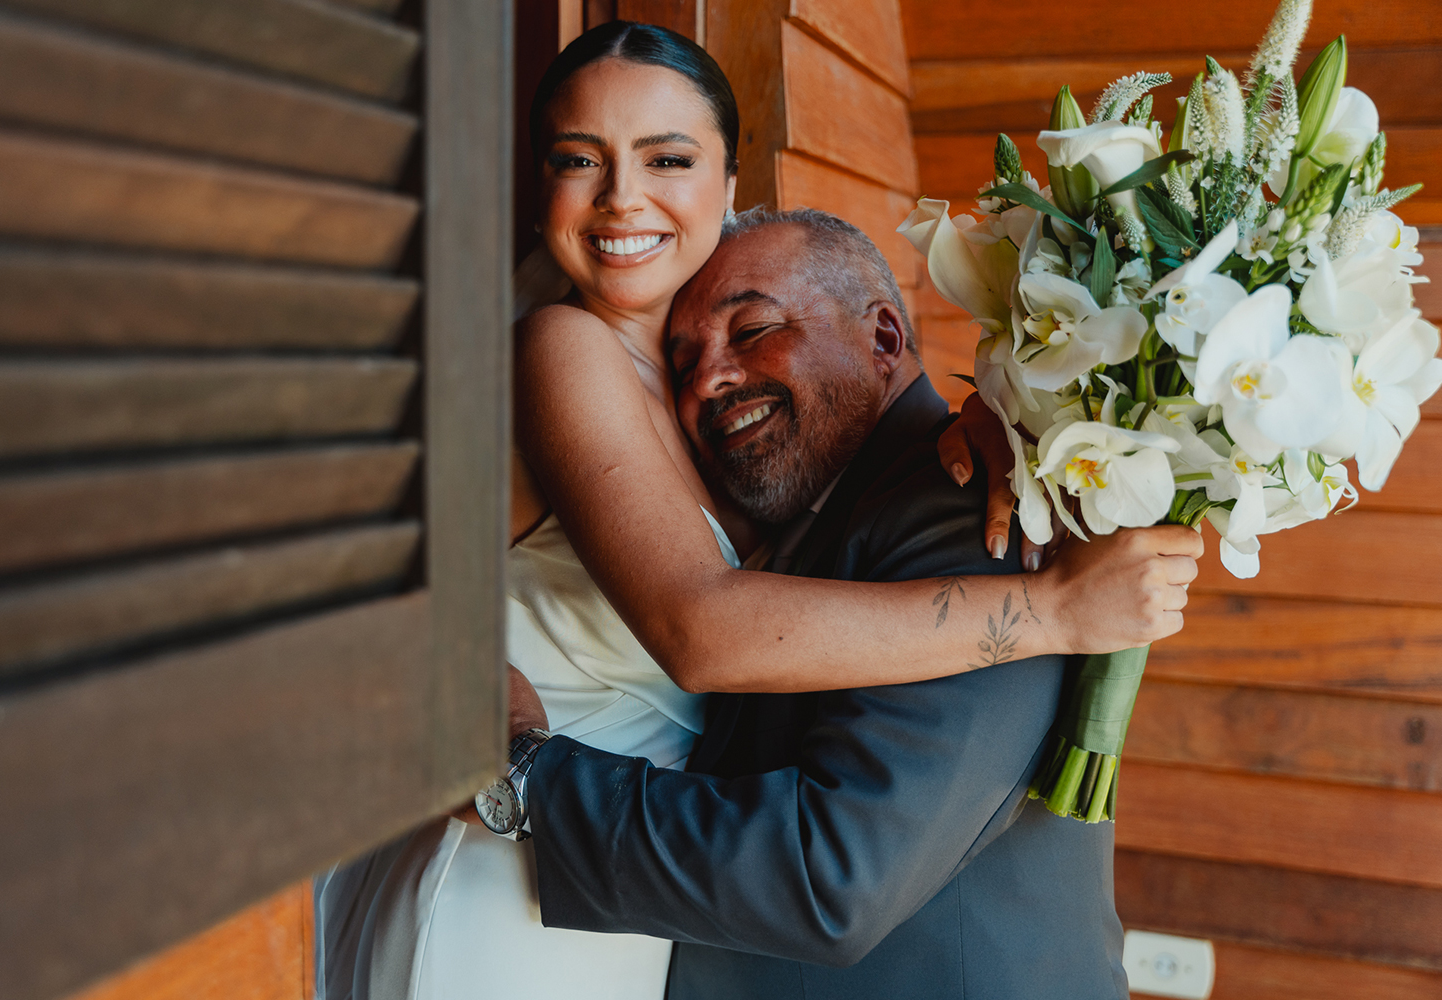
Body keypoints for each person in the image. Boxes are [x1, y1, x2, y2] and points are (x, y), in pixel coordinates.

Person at [312, 21, 1199, 1000]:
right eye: (579, 160)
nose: (621, 195)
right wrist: (1058, 613)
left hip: (615, 894)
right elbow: (700, 626)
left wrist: (993, 410)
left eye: (667, 157)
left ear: (726, 185)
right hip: (519, 876)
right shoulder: (564, 347)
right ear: (541, 186)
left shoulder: (803, 446)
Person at [511, 207, 1200, 999]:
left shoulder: (979, 516)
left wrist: (528, 776)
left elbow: (828, 880)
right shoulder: (826, 505)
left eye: (752, 330)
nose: (708, 379)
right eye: (682, 359)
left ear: (882, 340)